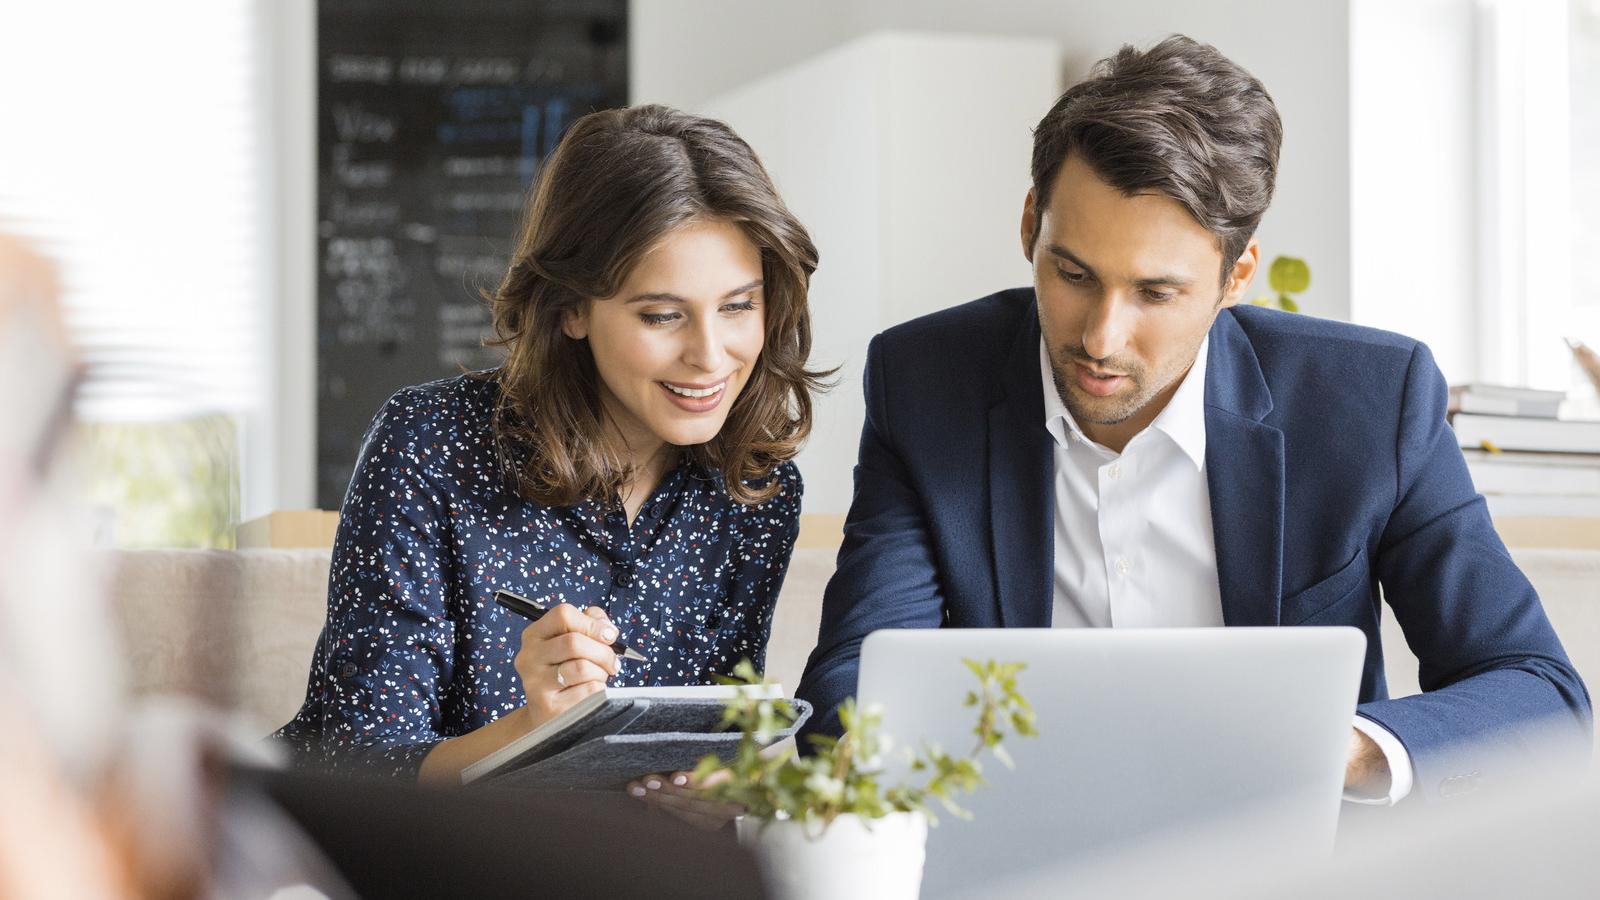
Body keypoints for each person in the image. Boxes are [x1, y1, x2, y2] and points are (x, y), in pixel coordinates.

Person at [796, 36, 1590, 804]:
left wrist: (1334, 751)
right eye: (1072, 273)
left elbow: (1538, 691)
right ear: (1031, 221)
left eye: (1156, 293)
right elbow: (852, 686)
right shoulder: (927, 380)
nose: (1100, 338)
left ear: (1236, 274)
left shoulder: (1372, 401)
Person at [277, 106, 829, 823]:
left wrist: (724, 798)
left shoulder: (757, 492)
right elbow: (353, 767)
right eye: (662, 315)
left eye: (737, 306)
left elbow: (714, 754)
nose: (710, 355)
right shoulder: (427, 445)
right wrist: (537, 729)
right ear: (571, 309)